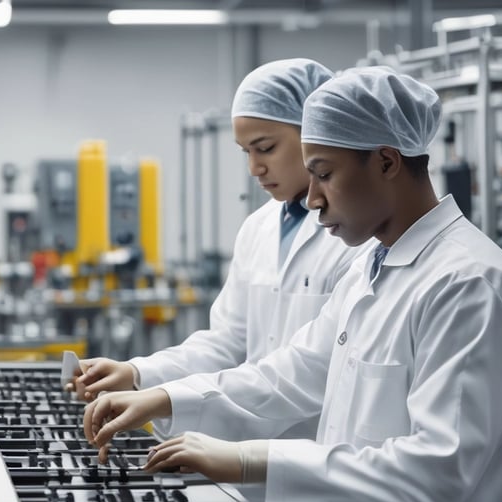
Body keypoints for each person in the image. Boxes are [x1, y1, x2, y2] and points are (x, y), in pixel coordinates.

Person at [83, 66, 502, 502]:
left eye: (324, 175)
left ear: (388, 162)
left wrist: (252, 460)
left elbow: (437, 471)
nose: (311, 200)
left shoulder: (470, 284)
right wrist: (163, 395)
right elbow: (290, 372)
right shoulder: (370, 267)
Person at [70, 58, 373, 441]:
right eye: (245, 151)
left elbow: (311, 368)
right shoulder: (258, 228)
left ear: (315, 133)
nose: (254, 168)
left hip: (316, 453)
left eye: (265, 148)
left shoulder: (356, 237)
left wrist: (168, 398)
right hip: (246, 452)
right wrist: (138, 374)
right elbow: (228, 342)